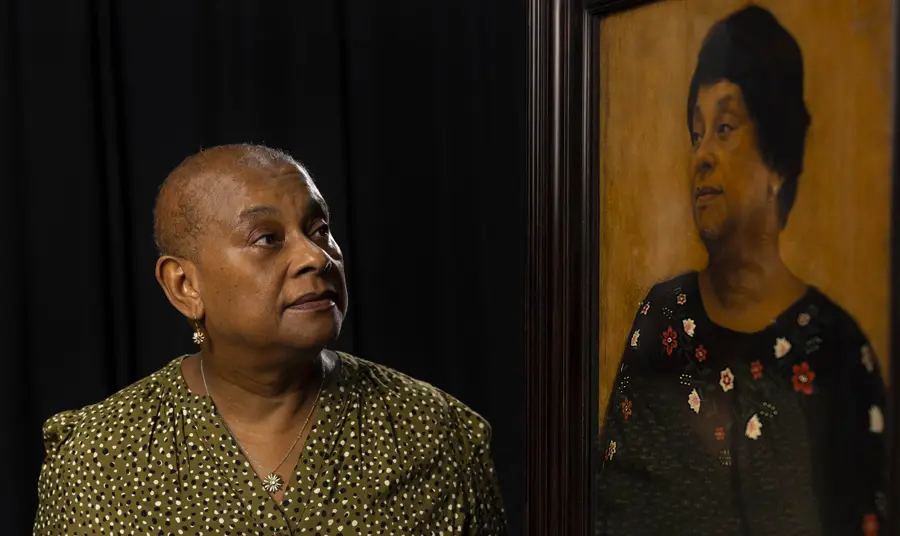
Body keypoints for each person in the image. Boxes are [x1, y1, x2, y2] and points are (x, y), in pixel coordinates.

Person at [33, 144, 508, 535]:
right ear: (185, 286)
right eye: (267, 239)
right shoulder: (100, 458)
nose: (316, 257)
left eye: (319, 229)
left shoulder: (434, 434)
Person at [595, 6, 888, 536]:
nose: (701, 155)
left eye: (724, 128)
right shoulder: (664, 320)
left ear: (777, 159)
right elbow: (611, 508)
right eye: (696, 132)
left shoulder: (838, 350)